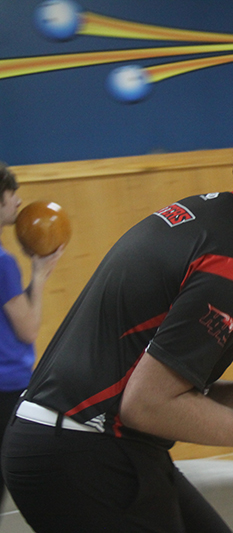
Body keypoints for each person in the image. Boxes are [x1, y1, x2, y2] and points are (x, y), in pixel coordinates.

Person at [1, 120, 233, 532]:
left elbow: (143, 385)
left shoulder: (204, 215)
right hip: (83, 453)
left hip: (74, 441)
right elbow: (145, 406)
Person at [0, 164, 63, 518]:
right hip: (7, 386)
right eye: (11, 194)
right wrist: (39, 275)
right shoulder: (3, 263)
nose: (18, 200)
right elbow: (27, 329)